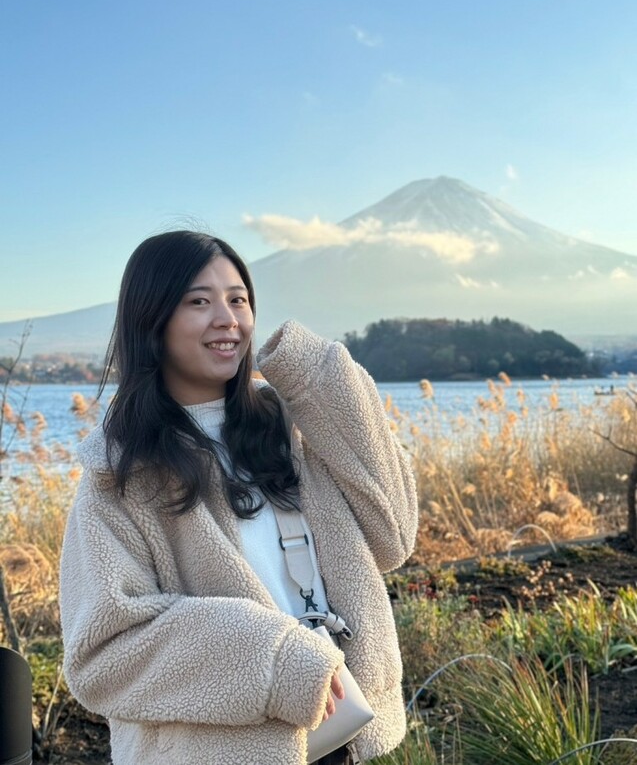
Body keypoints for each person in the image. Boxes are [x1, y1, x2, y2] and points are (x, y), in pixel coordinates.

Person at [59, 230, 418, 765]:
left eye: (238, 299)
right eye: (199, 301)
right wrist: (275, 661)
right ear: (151, 321)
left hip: (339, 735)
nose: (227, 319)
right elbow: (103, 653)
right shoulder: (120, 477)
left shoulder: (292, 432)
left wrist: (319, 375)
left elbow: (393, 535)